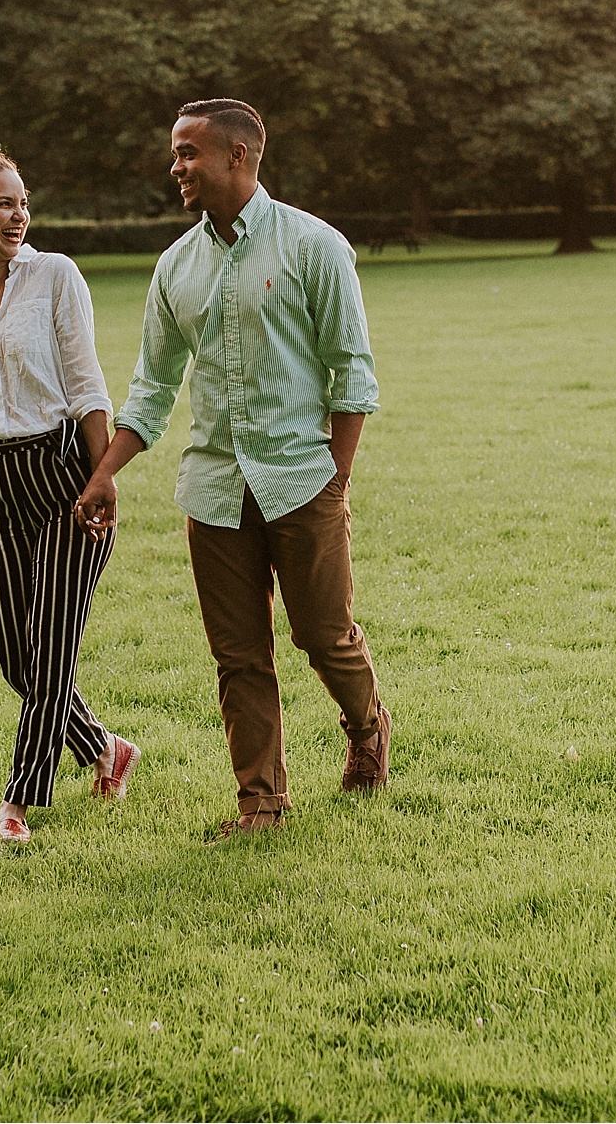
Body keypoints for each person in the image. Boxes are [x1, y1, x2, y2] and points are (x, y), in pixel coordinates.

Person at [73, 99, 389, 843]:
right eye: (175, 153)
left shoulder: (314, 247)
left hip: (301, 480)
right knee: (238, 656)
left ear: (238, 156)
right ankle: (262, 804)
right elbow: (152, 388)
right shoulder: (175, 267)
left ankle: (367, 723)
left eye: (188, 153)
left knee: (323, 636)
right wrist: (105, 472)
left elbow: (354, 375)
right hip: (214, 489)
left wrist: (335, 482)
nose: (175, 167)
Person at [0, 146, 138, 845]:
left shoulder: (53, 277)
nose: (20, 214)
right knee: (15, 657)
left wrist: (103, 478)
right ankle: (106, 748)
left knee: (50, 656)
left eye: (23, 202)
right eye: (5, 203)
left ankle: (18, 799)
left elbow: (87, 383)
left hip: (64, 474)